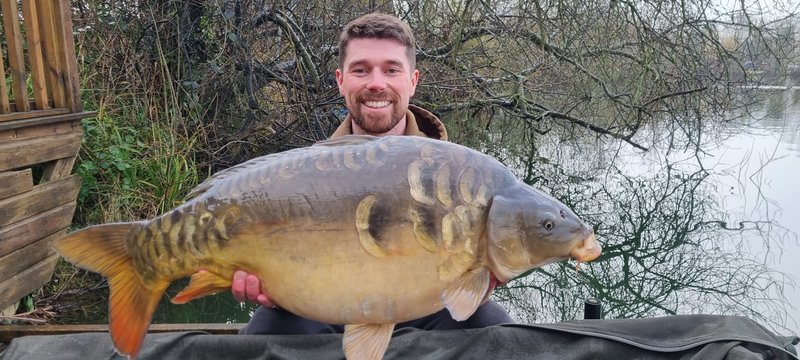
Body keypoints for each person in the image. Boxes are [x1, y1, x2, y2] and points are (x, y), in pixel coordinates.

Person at [233, 12, 513, 335]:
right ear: (341, 80)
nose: (376, 83)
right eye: (361, 70)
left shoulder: (458, 178)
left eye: (391, 70)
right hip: (329, 307)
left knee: (491, 325)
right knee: (268, 327)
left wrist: (478, 284)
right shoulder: (306, 174)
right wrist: (277, 285)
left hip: (428, 309)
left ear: (413, 81)